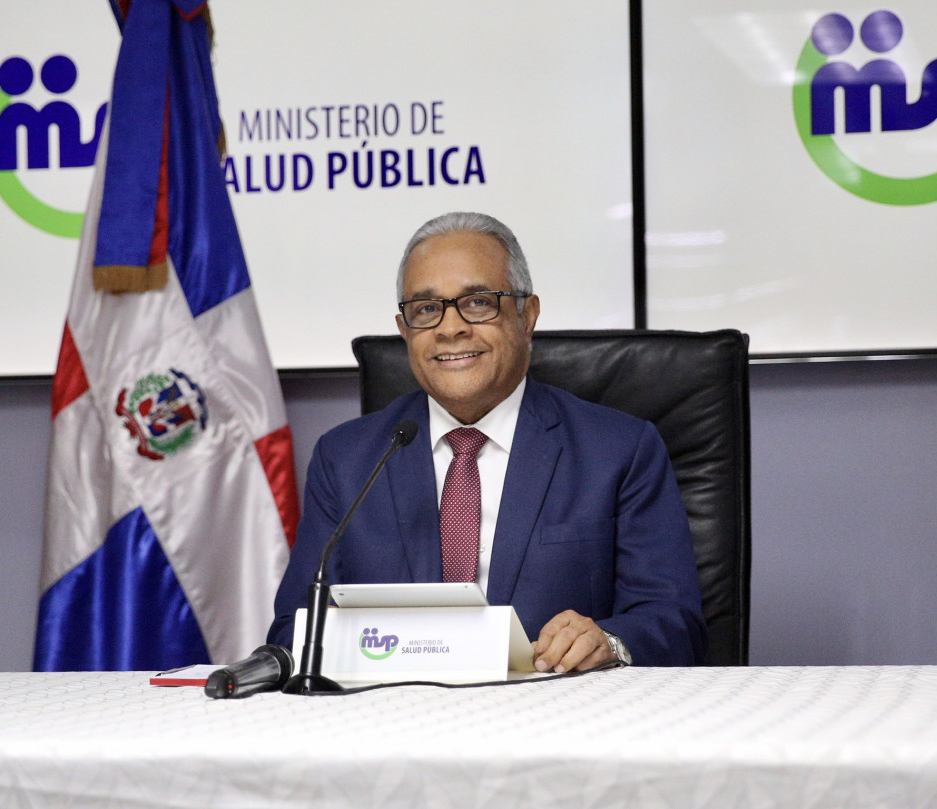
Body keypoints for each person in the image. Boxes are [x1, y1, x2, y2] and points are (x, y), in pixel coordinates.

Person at [268, 212, 707, 669]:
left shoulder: (619, 451)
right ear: (405, 331)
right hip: (396, 704)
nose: (450, 328)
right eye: (426, 309)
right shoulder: (347, 460)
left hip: (555, 703)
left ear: (527, 315)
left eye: (478, 303)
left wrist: (609, 642)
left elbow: (676, 625)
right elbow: (290, 631)